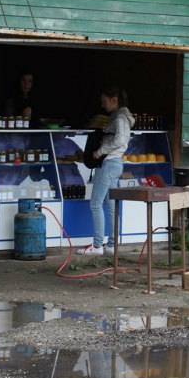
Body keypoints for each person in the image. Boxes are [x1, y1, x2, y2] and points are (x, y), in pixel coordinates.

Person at [77, 86, 134, 256]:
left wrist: (100, 151)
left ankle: (97, 245)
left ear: (114, 100)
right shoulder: (118, 116)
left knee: (95, 204)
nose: (102, 105)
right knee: (110, 206)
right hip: (114, 164)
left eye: (104, 101)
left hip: (109, 163)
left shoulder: (120, 118)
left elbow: (121, 141)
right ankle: (111, 245)